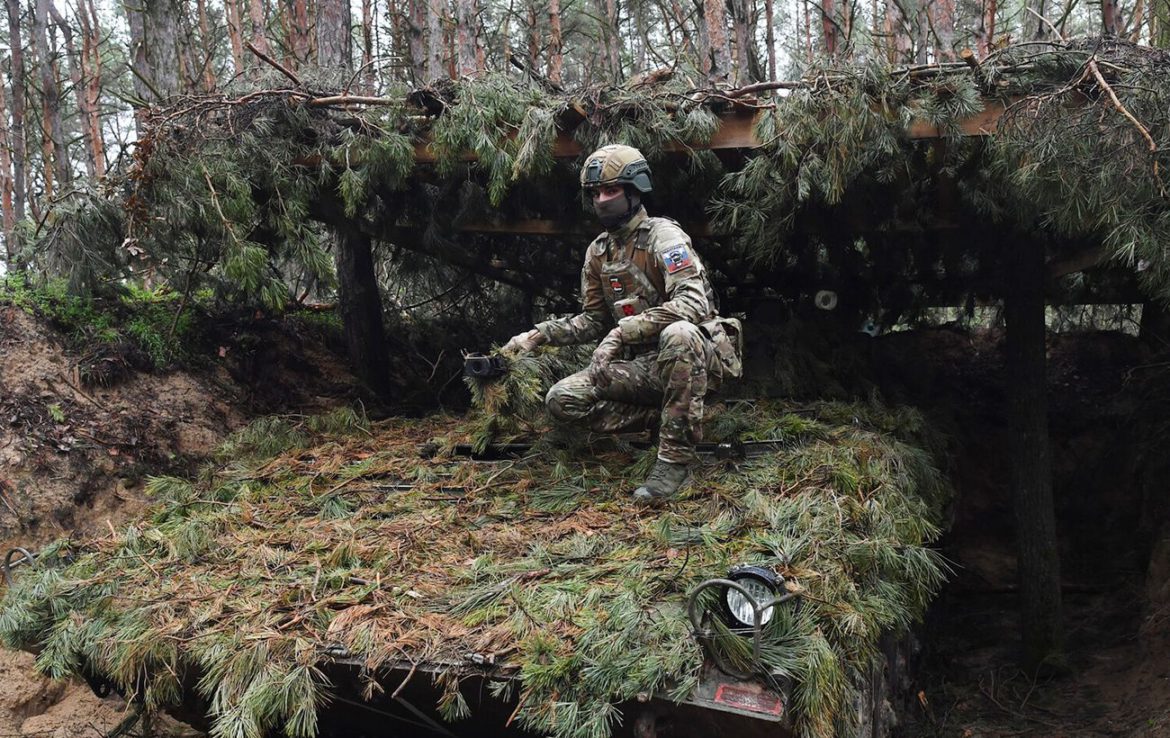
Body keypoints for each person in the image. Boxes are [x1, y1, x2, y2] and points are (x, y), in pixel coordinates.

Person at [504, 144, 742, 502]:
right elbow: (593, 319)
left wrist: (622, 332)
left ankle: (674, 458)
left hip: (695, 359)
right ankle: (670, 419)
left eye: (611, 190)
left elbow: (693, 303)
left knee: (679, 333)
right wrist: (537, 335)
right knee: (563, 399)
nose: (602, 199)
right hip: (643, 367)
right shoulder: (599, 252)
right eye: (596, 193)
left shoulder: (664, 237)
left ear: (634, 190)